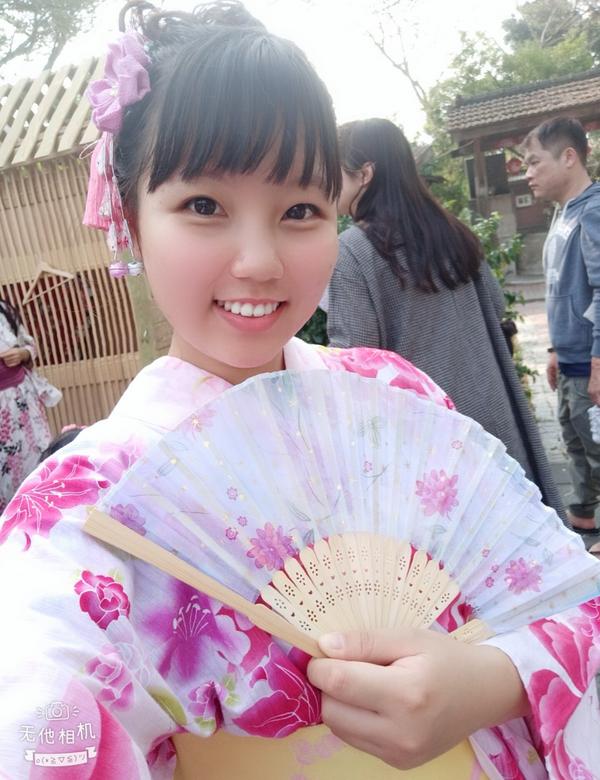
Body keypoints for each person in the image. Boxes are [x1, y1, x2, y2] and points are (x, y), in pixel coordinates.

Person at [0, 5, 598, 778]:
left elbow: (566, 590)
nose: (259, 261)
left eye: (300, 211)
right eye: (204, 206)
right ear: (129, 216)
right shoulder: (83, 508)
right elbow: (39, 731)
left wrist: (496, 680)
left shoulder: (393, 394)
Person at [327, 117, 563, 517]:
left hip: (430, 441)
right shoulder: (452, 230)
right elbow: (495, 307)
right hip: (492, 417)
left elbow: (354, 365)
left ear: (365, 174)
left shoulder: (353, 251)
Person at [523, 117, 600, 542]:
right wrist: (554, 348)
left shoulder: (593, 211)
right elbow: (564, 287)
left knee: (597, 448)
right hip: (570, 361)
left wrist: (598, 363)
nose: (528, 173)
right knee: (576, 445)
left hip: (590, 363)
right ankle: (584, 519)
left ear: (569, 157)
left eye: (535, 162)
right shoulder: (564, 213)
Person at [0, 298, 62, 512]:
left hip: (22, 401)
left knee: (36, 463)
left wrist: (22, 353)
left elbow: (28, 344)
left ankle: (40, 517)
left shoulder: (3, 309)